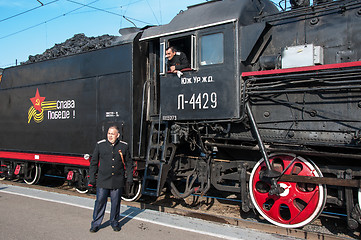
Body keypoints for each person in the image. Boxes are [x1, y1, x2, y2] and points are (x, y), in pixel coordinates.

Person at [88, 125, 133, 233]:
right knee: (100, 202)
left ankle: (114, 222)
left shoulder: (124, 146)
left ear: (118, 135)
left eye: (112, 134)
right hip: (103, 180)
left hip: (117, 180)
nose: (110, 136)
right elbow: (93, 163)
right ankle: (96, 223)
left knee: (116, 203)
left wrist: (130, 178)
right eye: (109, 133)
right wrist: (92, 178)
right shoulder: (100, 145)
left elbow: (129, 163)